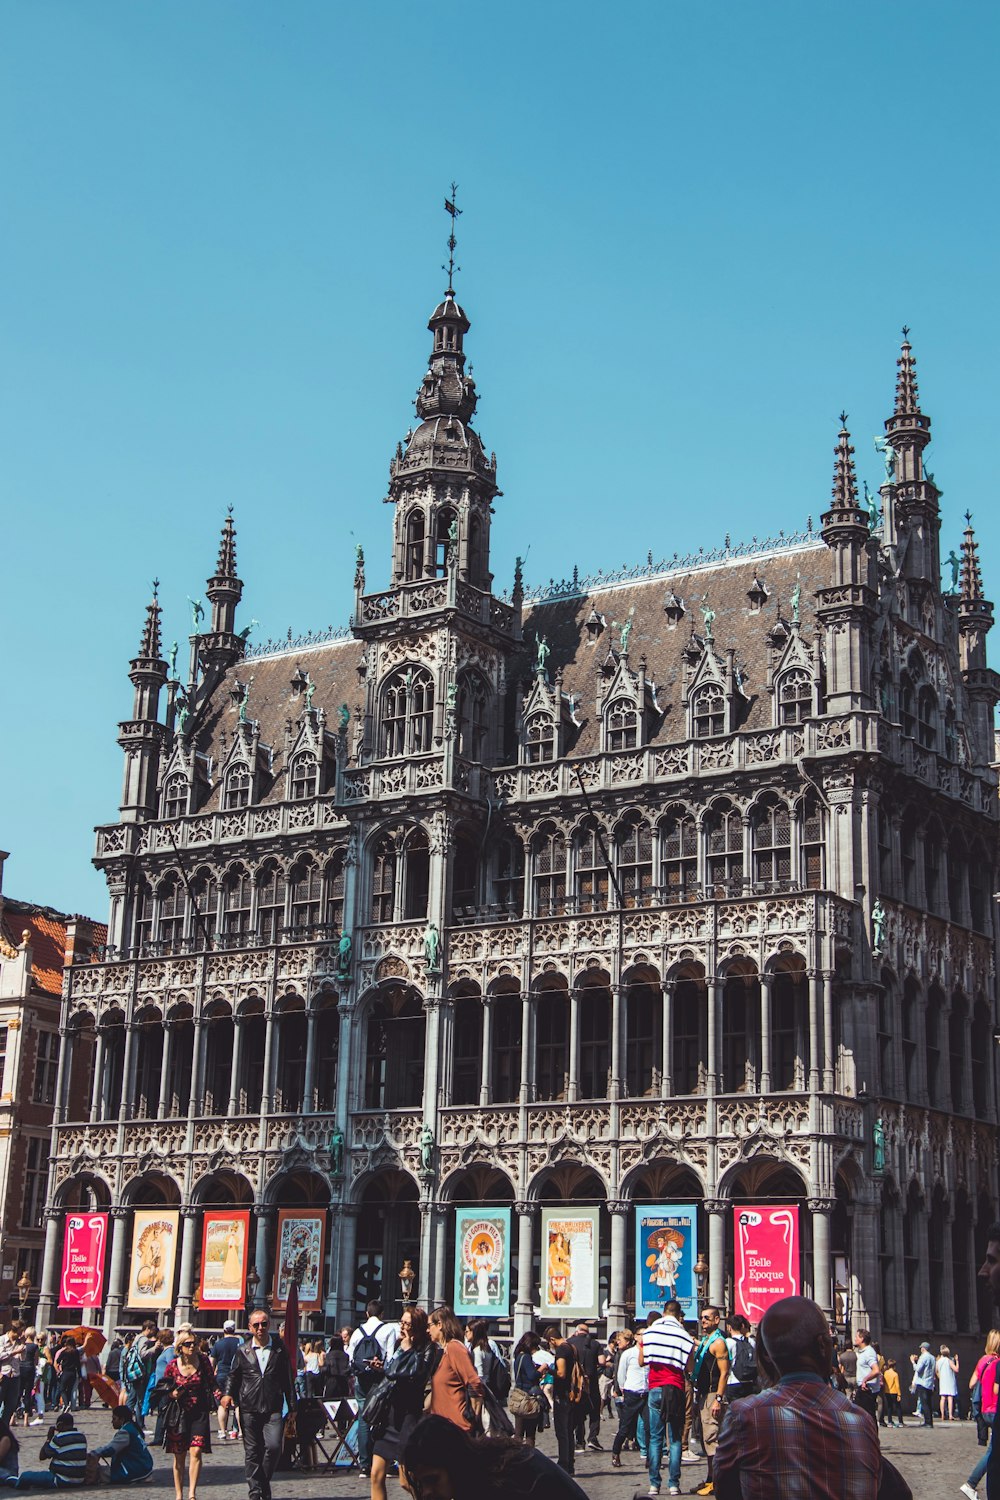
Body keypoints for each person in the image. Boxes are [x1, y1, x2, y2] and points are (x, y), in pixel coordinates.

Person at [713, 1296, 895, 1500]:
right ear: (823, 1347)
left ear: (764, 1356)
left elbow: (725, 1489)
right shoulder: (861, 1422)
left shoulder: (745, 1416)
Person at [398, 1411, 589, 1499]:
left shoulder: (501, 1480)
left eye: (432, 1480)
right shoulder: (484, 1467)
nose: (426, 1493)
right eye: (421, 1484)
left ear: (454, 1465)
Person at [220, 1312, 295, 1500]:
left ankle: (262, 1482)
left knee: (274, 1446)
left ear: (269, 1325)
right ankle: (255, 1491)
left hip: (273, 1407)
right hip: (249, 1406)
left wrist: (292, 1406)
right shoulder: (243, 1350)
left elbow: (287, 1379)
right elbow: (233, 1375)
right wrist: (228, 1394)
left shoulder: (279, 1349)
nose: (260, 1328)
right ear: (249, 1327)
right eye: (256, 1325)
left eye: (264, 1324)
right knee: (252, 1451)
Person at [370, 1306, 437, 1500]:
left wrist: (408, 1350)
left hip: (409, 1416)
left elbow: (419, 1373)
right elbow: (393, 1372)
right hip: (390, 1415)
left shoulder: (428, 1349)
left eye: (407, 1324)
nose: (402, 1327)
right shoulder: (400, 1345)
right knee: (376, 1474)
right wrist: (382, 1368)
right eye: (401, 1322)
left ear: (416, 1327)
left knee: (406, 1481)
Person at [639, 1298, 694, 1498]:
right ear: (679, 1315)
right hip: (676, 1388)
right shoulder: (684, 1335)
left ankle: (654, 1484)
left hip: (655, 1387)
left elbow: (642, 1360)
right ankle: (674, 1484)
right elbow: (689, 1368)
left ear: (664, 1312)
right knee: (676, 1439)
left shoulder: (650, 1332)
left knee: (655, 1438)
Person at [162, 1327, 223, 1500]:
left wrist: (223, 1398)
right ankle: (179, 1494)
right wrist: (171, 1394)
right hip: (179, 1414)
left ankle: (192, 1494)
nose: (192, 1346)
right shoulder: (172, 1366)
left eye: (194, 1343)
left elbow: (212, 1384)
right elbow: (162, 1389)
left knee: (196, 1451)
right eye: (188, 1344)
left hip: (199, 1412)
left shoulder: (203, 1362)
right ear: (180, 1347)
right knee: (179, 1455)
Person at [349, 1300, 400, 1478]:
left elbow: (350, 1357)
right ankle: (384, 1461)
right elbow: (391, 1357)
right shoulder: (388, 1330)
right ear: (382, 1314)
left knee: (364, 1418)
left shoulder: (357, 1332)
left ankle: (364, 1464)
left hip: (362, 1380)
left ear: (367, 1314)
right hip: (380, 1379)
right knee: (384, 1417)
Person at [690, 1305, 730, 1497]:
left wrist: (718, 1399)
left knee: (712, 1438)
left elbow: (724, 1373)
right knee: (707, 1439)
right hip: (704, 1394)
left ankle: (716, 1481)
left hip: (713, 1395)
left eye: (707, 1318)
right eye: (701, 1317)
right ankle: (709, 1478)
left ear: (716, 1320)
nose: (703, 1321)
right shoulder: (707, 1340)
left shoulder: (718, 1343)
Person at [427, 1308, 483, 1432]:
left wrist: (472, 1418)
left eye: (429, 1325)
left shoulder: (455, 1348)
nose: (427, 1330)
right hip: (441, 1427)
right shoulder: (443, 1351)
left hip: (456, 1428)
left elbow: (474, 1382)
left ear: (440, 1325)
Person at [961, 1334, 1000, 1499]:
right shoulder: (997, 1363)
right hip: (995, 1409)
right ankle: (971, 1483)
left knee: (994, 1450)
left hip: (985, 1410)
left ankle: (971, 1484)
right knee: (993, 1453)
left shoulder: (983, 1360)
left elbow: (971, 1383)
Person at [9, 1410, 86, 1488]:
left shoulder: (59, 1439)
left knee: (25, 1476)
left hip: (61, 1479)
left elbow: (42, 1456)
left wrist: (49, 1438)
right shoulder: (82, 1437)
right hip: (79, 1479)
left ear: (60, 1425)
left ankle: (12, 1481)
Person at [611, 1320, 648, 1469]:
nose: (644, 1337)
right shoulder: (628, 1353)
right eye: (641, 1335)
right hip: (632, 1393)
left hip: (646, 1393)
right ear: (636, 1337)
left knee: (649, 1427)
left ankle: (650, 1458)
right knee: (625, 1427)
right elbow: (621, 1374)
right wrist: (623, 1389)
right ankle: (615, 1453)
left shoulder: (650, 1352)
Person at [543, 1325, 579, 1476]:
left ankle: (564, 1464)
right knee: (569, 1431)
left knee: (562, 1431)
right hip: (571, 1394)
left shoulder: (562, 1350)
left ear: (552, 1339)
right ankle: (569, 1463)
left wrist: (547, 1369)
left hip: (563, 1395)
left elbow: (561, 1373)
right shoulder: (571, 1347)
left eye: (548, 1342)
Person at [90, 1405, 154, 1485]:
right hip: (144, 1467)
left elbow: (111, 1449)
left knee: (98, 1472)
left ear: (122, 1419)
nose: (112, 1422)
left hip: (135, 1469)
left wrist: (95, 1452)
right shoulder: (134, 1428)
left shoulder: (125, 1432)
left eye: (114, 1419)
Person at [567, 1322, 602, 1451]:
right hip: (591, 1382)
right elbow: (602, 1361)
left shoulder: (570, 1342)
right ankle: (592, 1437)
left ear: (577, 1331)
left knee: (578, 1412)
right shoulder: (595, 1344)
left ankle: (579, 1442)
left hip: (575, 1383)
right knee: (595, 1410)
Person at [509, 1333, 545, 1447]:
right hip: (528, 1398)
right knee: (530, 1434)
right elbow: (531, 1375)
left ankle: (516, 1456)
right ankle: (529, 1456)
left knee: (518, 1432)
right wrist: (541, 1369)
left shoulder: (518, 1356)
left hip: (518, 1396)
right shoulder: (527, 1357)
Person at [211, 1322, 240, 1442]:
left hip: (222, 1375)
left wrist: (212, 1376)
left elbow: (212, 1362)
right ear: (234, 1330)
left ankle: (223, 1431)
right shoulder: (239, 1343)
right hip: (236, 1375)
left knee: (222, 1404)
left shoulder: (218, 1344)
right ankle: (240, 1431)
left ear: (224, 1330)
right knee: (237, 1404)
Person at [723, 1315, 756, 1405]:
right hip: (750, 1382)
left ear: (729, 1327)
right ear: (742, 1326)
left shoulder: (728, 1342)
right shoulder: (751, 1342)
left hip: (733, 1382)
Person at [0, 1328, 27, 1427]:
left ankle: (4, 1429)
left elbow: (23, 1359)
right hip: (3, 1375)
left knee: (11, 1405)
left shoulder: (19, 1343)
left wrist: (23, 1347)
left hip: (15, 1376)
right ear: (13, 1331)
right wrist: (15, 1352)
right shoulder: (2, 1340)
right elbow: (1, 1356)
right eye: (19, 1333)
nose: (20, 1336)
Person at [854, 1330, 882, 1423]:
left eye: (857, 1337)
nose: (855, 1339)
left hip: (867, 1389)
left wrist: (865, 1379)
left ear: (862, 1339)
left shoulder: (869, 1352)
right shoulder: (863, 1352)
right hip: (863, 1388)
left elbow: (876, 1370)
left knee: (868, 1415)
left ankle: (872, 1435)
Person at [910, 1342, 936, 1426]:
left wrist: (913, 1362)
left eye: (921, 1348)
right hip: (930, 1383)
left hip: (922, 1383)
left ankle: (927, 1422)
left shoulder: (923, 1357)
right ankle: (929, 1421)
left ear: (923, 1348)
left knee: (924, 1403)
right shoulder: (932, 1358)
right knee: (928, 1403)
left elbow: (918, 1369)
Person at [52, 1340, 80, 1417]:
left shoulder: (65, 1352)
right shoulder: (76, 1352)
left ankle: (66, 1403)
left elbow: (57, 1361)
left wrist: (61, 1365)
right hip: (73, 1373)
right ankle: (68, 1403)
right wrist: (79, 1375)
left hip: (66, 1372)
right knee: (69, 1389)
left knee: (62, 1389)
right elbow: (78, 1364)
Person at [938, 1345, 959, 1420]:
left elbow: (936, 1371)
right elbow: (956, 1369)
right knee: (950, 1397)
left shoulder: (939, 1361)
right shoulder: (949, 1361)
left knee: (943, 1398)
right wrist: (957, 1361)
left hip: (942, 1381)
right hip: (949, 1380)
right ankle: (950, 1415)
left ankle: (942, 1414)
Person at [881, 1358, 902, 1427]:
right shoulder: (895, 1374)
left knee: (889, 1407)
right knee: (898, 1407)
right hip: (894, 1391)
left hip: (887, 1392)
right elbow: (897, 1385)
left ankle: (889, 1421)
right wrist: (899, 1394)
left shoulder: (885, 1373)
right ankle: (900, 1421)